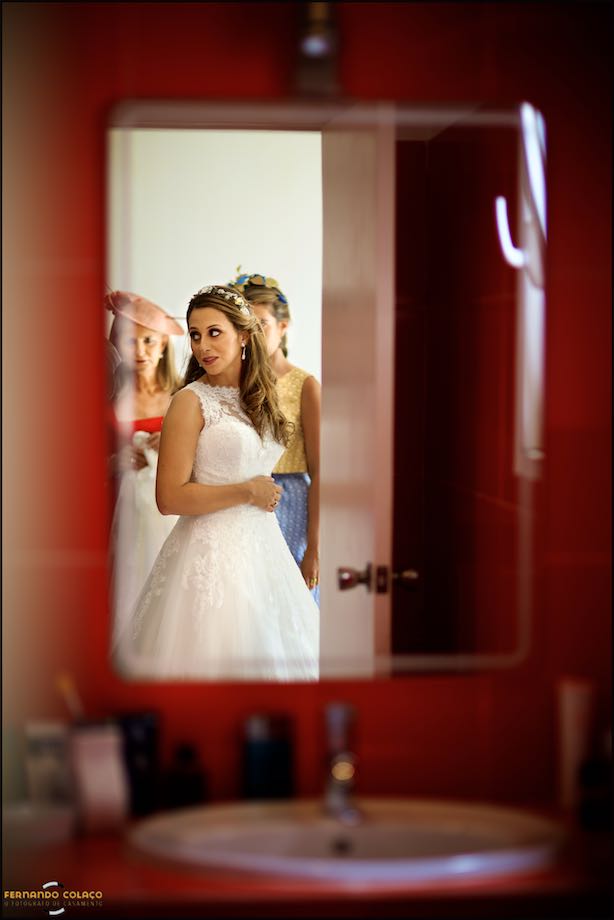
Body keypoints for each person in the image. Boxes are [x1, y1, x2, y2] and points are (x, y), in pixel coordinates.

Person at [113, 284, 319, 681]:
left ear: (243, 335)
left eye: (214, 332)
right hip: (207, 555)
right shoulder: (189, 401)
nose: (202, 345)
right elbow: (169, 498)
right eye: (194, 334)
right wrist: (247, 491)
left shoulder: (261, 397)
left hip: (263, 548)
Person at [230, 272, 321, 605]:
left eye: (262, 324)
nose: (252, 335)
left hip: (291, 502)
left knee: (287, 604)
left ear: (283, 327)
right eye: (244, 326)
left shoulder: (305, 385)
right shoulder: (230, 384)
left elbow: (321, 471)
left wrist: (314, 547)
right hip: (238, 499)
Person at [105, 290, 183, 646]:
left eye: (149, 341)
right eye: (131, 341)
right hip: (116, 509)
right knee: (126, 580)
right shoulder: (106, 393)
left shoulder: (185, 394)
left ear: (164, 343)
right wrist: (111, 460)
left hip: (171, 510)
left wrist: (174, 444)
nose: (140, 351)